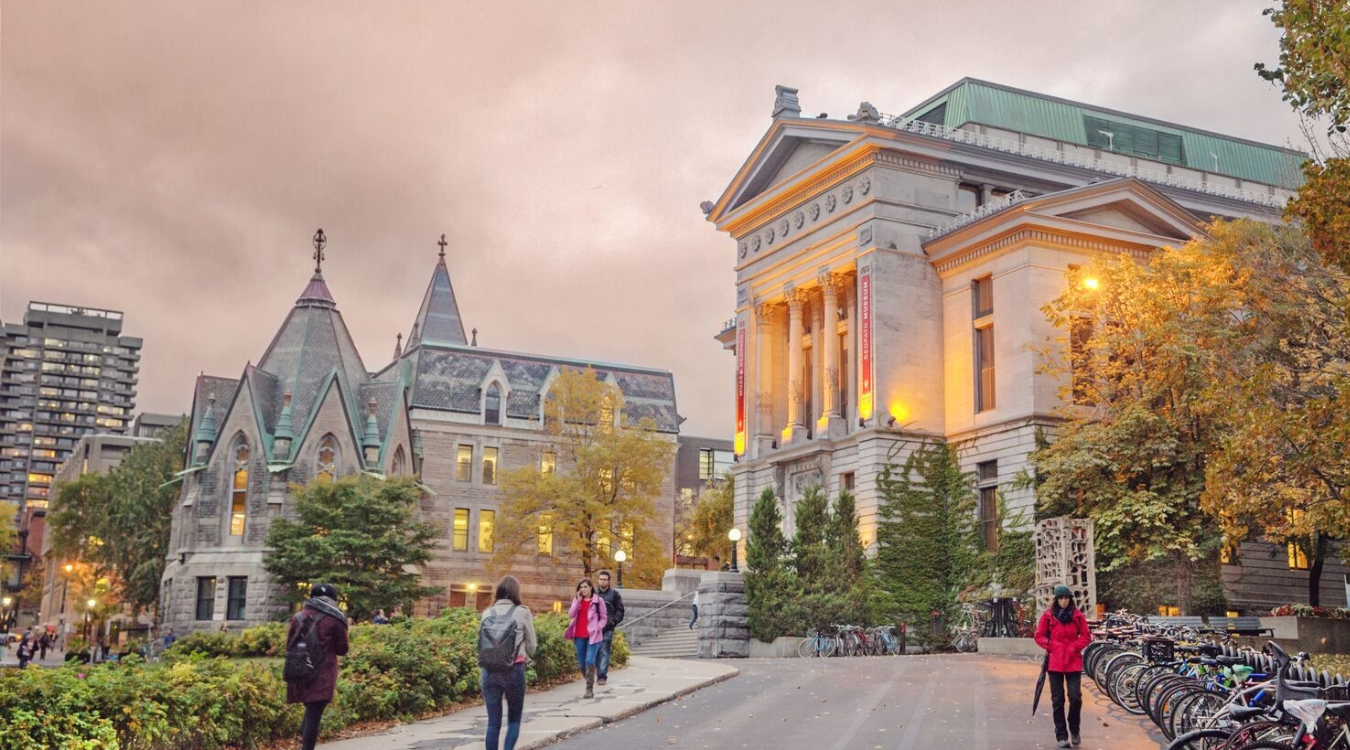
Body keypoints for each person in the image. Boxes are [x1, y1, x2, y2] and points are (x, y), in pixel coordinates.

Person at [286, 583, 350, 750]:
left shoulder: (298, 616)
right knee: (314, 714)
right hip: (322, 673)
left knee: (310, 712)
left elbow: (289, 645)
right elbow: (342, 649)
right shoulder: (335, 619)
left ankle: (303, 744)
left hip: (299, 669)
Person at [480, 576, 537, 750]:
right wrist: (525, 655)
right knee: (514, 719)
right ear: (515, 592)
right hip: (514, 669)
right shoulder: (522, 612)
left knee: (493, 723)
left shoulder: (486, 613)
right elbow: (532, 645)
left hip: (489, 671)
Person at [1034, 584, 1091, 748]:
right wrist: (1052, 645)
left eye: (1066, 598)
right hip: (1055, 663)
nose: (1064, 601)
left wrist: (1074, 647)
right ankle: (1061, 734)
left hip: (1073, 662)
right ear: (1056, 600)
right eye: (1061, 598)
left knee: (1075, 698)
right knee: (1057, 699)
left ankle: (1074, 729)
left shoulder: (1078, 616)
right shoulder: (1048, 616)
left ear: (1070, 599)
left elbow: (1086, 636)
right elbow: (1038, 636)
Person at [563, 578, 608, 698]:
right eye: (581, 587)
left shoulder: (598, 601)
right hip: (579, 635)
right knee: (582, 664)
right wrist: (577, 601)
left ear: (590, 587)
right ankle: (590, 679)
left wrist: (598, 627)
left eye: (585, 587)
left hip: (593, 636)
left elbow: (604, 617)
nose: (583, 589)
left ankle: (589, 689)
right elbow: (571, 614)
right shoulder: (577, 600)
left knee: (589, 660)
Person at [594, 570, 624, 687]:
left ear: (609, 581)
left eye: (605, 579)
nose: (602, 581)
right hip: (594, 628)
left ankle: (602, 676)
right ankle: (597, 673)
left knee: (604, 651)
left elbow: (620, 610)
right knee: (595, 651)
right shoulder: (593, 594)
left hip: (608, 627)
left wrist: (613, 622)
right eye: (601, 579)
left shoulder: (614, 594)